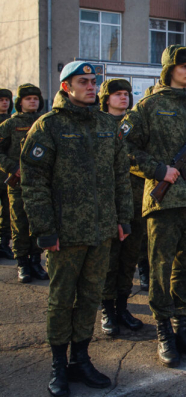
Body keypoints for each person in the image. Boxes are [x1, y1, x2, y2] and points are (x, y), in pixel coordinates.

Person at [20, 61, 133, 396]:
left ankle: (80, 359)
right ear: (66, 87)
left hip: (101, 230)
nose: (91, 87)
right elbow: (34, 182)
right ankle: (59, 364)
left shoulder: (107, 124)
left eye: (93, 81)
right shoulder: (48, 126)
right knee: (61, 300)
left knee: (89, 298)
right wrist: (44, 229)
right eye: (83, 82)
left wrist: (123, 218)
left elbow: (120, 176)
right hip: (65, 234)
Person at [122, 45, 186, 367]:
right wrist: (157, 170)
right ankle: (163, 331)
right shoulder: (149, 106)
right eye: (183, 66)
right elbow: (122, 147)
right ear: (169, 70)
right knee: (161, 268)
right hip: (164, 203)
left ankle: (183, 329)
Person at [97, 79, 145, 336]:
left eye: (126, 93)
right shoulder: (97, 124)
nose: (124, 97)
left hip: (136, 201)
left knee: (129, 259)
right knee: (109, 260)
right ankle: (107, 310)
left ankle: (122, 307)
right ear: (106, 98)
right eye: (117, 94)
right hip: (108, 203)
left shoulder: (136, 124)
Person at [0, 84, 48, 283]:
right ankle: (22, 264)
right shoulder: (10, 124)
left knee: (38, 223)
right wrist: (12, 167)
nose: (32, 102)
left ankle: (36, 261)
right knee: (19, 223)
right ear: (20, 102)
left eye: (35, 98)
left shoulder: (45, 122)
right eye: (28, 99)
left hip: (40, 184)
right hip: (18, 182)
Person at [0, 88, 14, 260]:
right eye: (1, 100)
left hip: (8, 175)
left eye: (6, 100)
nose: (4, 102)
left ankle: (4, 244)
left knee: (7, 213)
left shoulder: (12, 121)